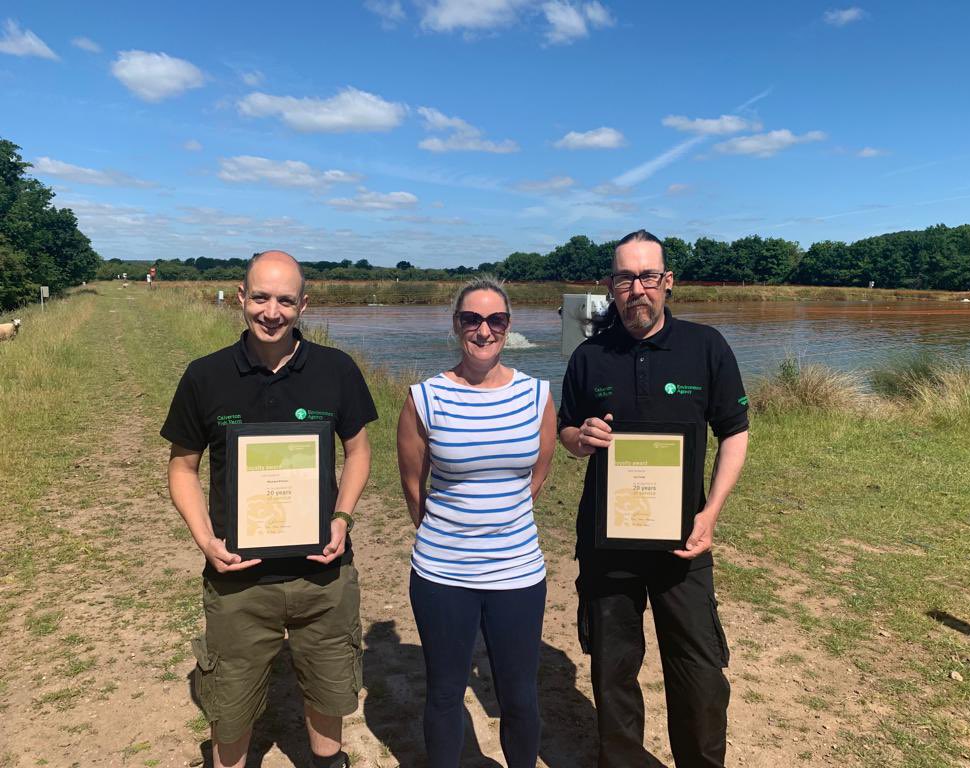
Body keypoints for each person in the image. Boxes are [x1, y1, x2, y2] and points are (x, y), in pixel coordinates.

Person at [161, 250, 376, 768]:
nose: (272, 312)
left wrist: (342, 518)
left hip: (323, 573)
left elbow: (359, 451)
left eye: (285, 300)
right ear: (241, 297)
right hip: (238, 577)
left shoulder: (337, 369)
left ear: (304, 304)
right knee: (230, 709)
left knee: (329, 693)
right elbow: (182, 468)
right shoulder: (205, 375)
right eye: (260, 297)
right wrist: (205, 540)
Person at [558, 230, 749, 768]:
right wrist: (580, 438)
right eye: (625, 278)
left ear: (667, 281)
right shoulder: (589, 356)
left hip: (683, 539)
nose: (636, 289)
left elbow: (734, 432)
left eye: (647, 276)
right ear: (610, 286)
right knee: (613, 670)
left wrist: (711, 512)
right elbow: (566, 430)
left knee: (699, 670)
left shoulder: (705, 346)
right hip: (607, 541)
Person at [396, 276, 556, 768]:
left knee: (519, 695)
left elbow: (537, 476)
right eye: (472, 319)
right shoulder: (424, 398)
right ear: (456, 325)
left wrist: (502, 522)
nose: (484, 331)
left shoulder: (537, 395)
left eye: (496, 320)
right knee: (445, 692)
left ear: (508, 325)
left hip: (518, 573)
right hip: (443, 573)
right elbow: (414, 488)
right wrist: (452, 535)